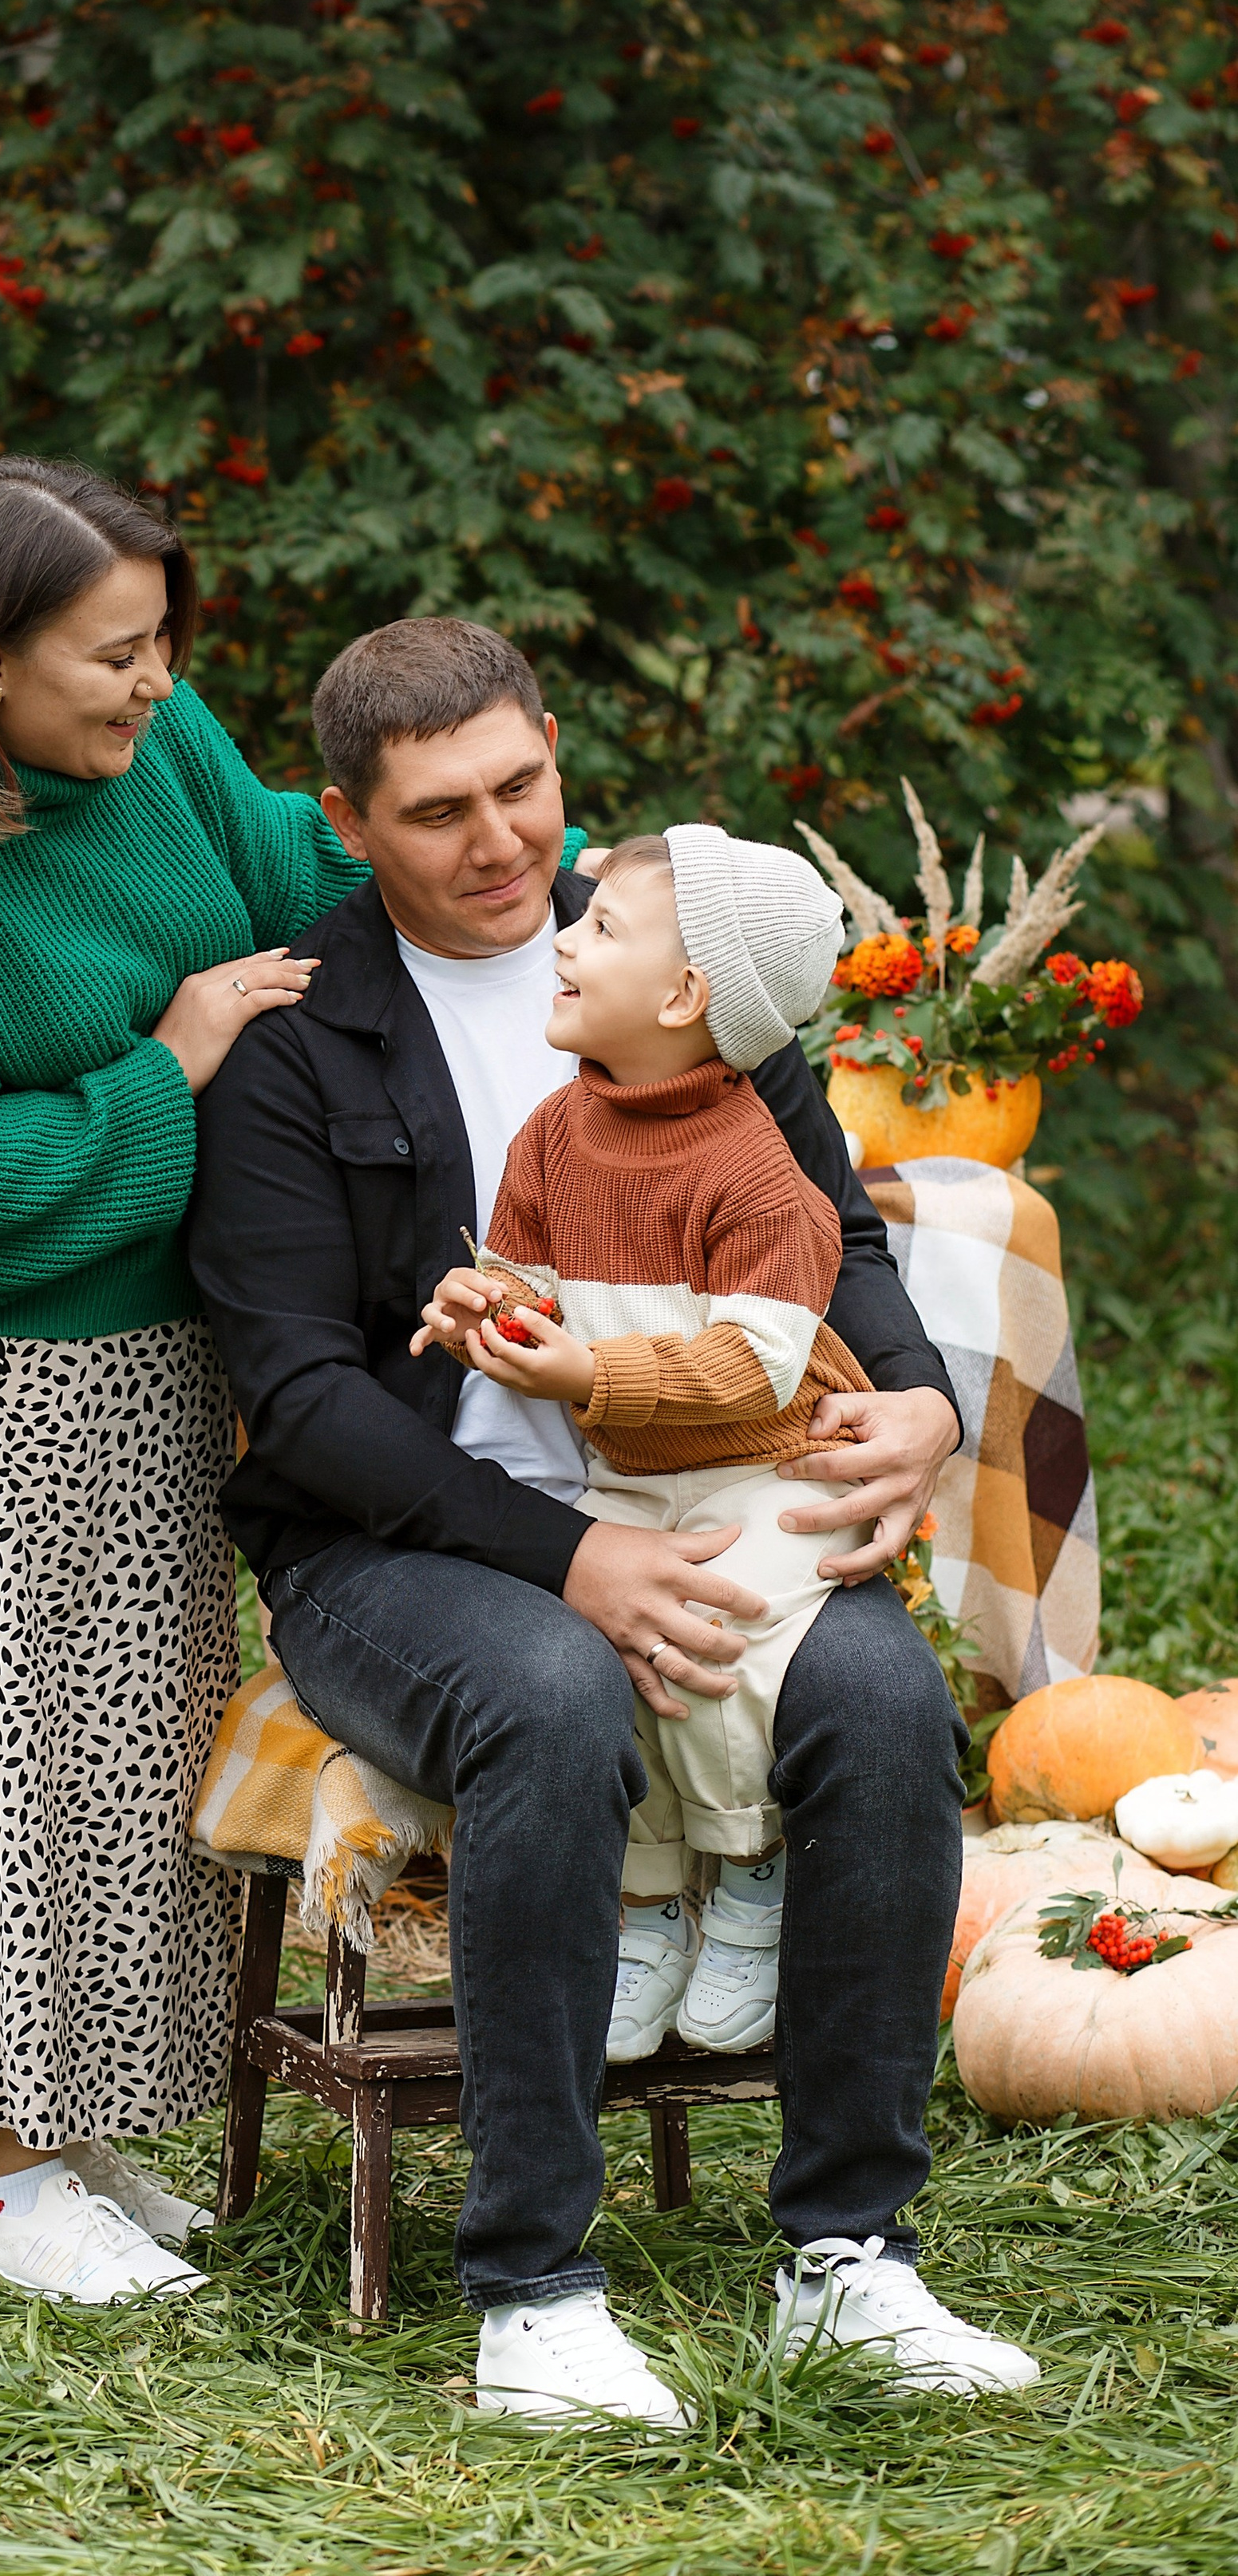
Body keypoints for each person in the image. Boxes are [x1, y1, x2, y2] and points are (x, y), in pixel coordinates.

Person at [188, 615, 1039, 2424]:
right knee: (551, 1696)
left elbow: (842, 1241)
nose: (500, 846)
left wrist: (914, 1402)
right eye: (435, 815)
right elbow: (305, 1395)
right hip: (393, 1552)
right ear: (348, 823)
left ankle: (848, 2258)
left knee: (885, 1707)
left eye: (521, 788)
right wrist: (566, 1558)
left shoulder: (680, 962)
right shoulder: (296, 1043)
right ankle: (532, 2294)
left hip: (704, 1497)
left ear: (555, 752)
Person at [0, 455, 362, 2307]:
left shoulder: (155, 750)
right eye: (112, 652)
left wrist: (508, 864)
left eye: (160, 637)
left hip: (152, 1358)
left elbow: (297, 867)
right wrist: (168, 1066)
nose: (154, 680)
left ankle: (80, 2127)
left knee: (125, 1751)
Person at [413, 824, 873, 2065]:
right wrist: (482, 1307)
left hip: (767, 1467)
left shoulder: (760, 1176)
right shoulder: (557, 1136)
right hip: (633, 1472)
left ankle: (755, 1870)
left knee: (720, 1652)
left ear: (684, 998)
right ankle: (658, 1898)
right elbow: (523, 1279)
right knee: (623, 1668)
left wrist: (585, 1370)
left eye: (602, 930)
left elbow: (754, 1366)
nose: (563, 938)